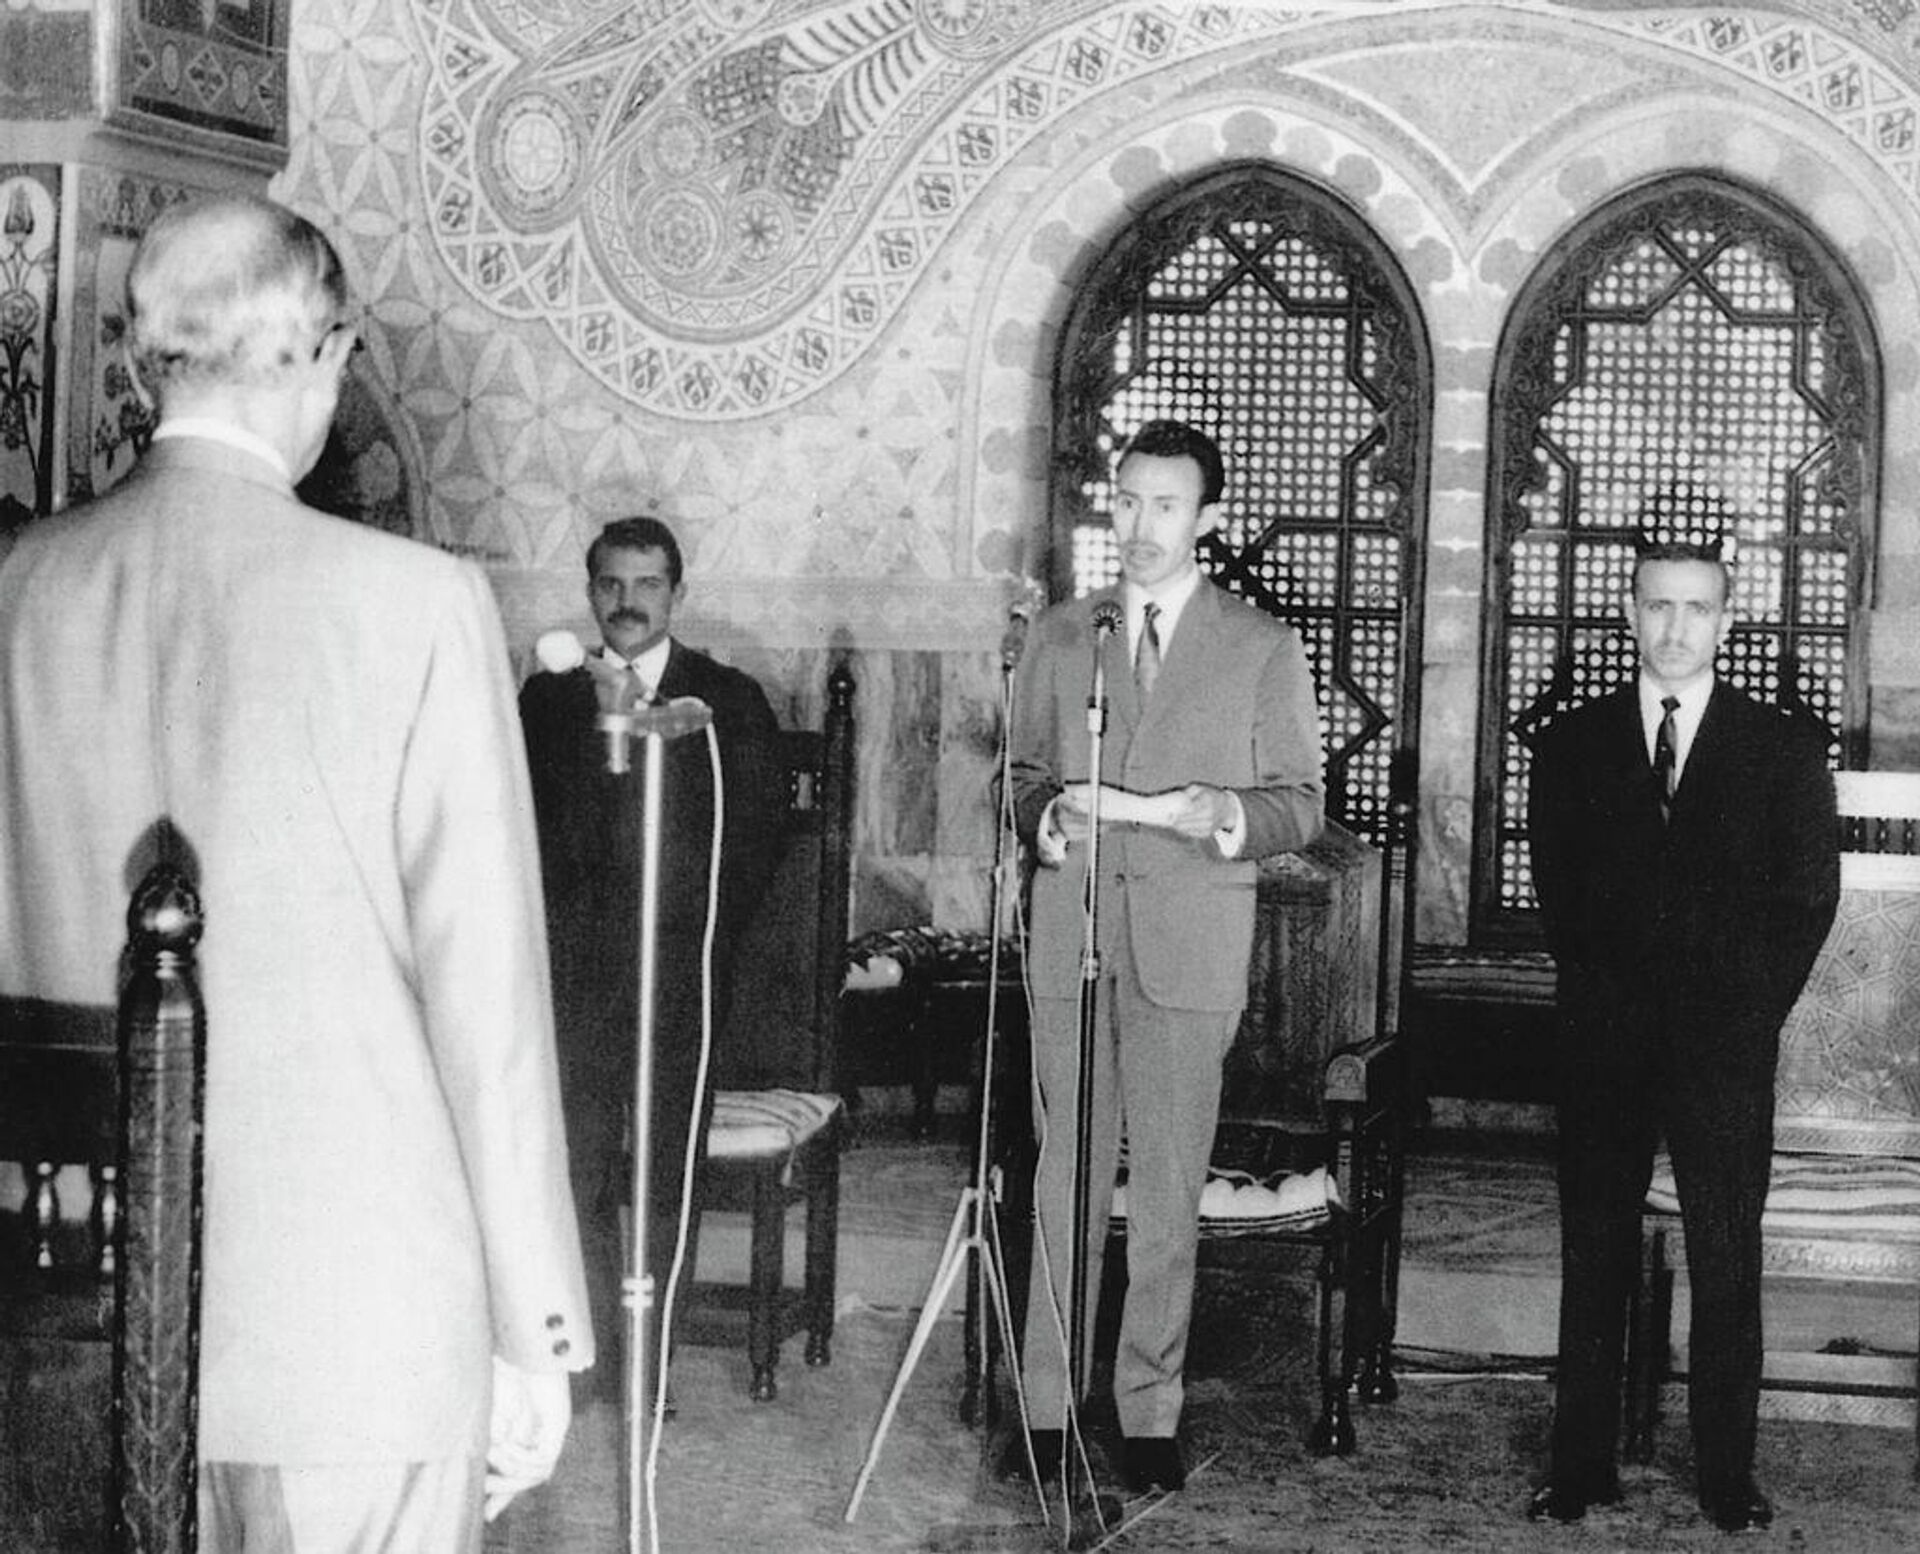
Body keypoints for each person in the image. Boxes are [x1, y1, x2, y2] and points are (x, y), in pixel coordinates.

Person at [0, 194, 592, 1547]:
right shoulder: (414, 603)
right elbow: (485, 1002)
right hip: (352, 1332)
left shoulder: (19, 589)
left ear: (151, 360)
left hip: (63, 1314)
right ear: (313, 354)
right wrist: (532, 1325)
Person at [1003, 419, 1325, 1493]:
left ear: (1209, 519)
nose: (1140, 527)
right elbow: (1020, 778)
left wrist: (1222, 813)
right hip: (1072, 938)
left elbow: (1300, 804)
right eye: (1127, 501)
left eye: (1166, 506)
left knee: (1171, 1189)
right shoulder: (1061, 635)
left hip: (1188, 947)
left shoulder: (1261, 645)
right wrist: (1046, 824)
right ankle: (1045, 1410)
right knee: (1064, 1182)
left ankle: (1149, 1412)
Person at [1526, 517, 1839, 1532]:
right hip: (1604, 1038)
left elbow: (1805, 900)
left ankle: (1725, 1477)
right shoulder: (1571, 743)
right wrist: (1616, 1000)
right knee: (1594, 1249)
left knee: (1725, 1255)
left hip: (1724, 1044)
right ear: (1629, 613)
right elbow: (1560, 897)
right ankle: (1578, 1468)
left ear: (1727, 620)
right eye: (1656, 604)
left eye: (1696, 607)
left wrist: (1740, 1012)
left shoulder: (1782, 748)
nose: (1675, 627)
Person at [518, 516, 784, 1406]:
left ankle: (652, 1361)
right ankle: (595, 1351)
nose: (628, 604)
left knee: (668, 1167)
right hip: (578, 979)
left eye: (648, 586)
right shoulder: (550, 701)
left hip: (681, 977)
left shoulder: (727, 702)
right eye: (611, 586)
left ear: (677, 592)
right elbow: (525, 834)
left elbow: (755, 844)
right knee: (578, 1163)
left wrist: (695, 942)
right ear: (591, 591)